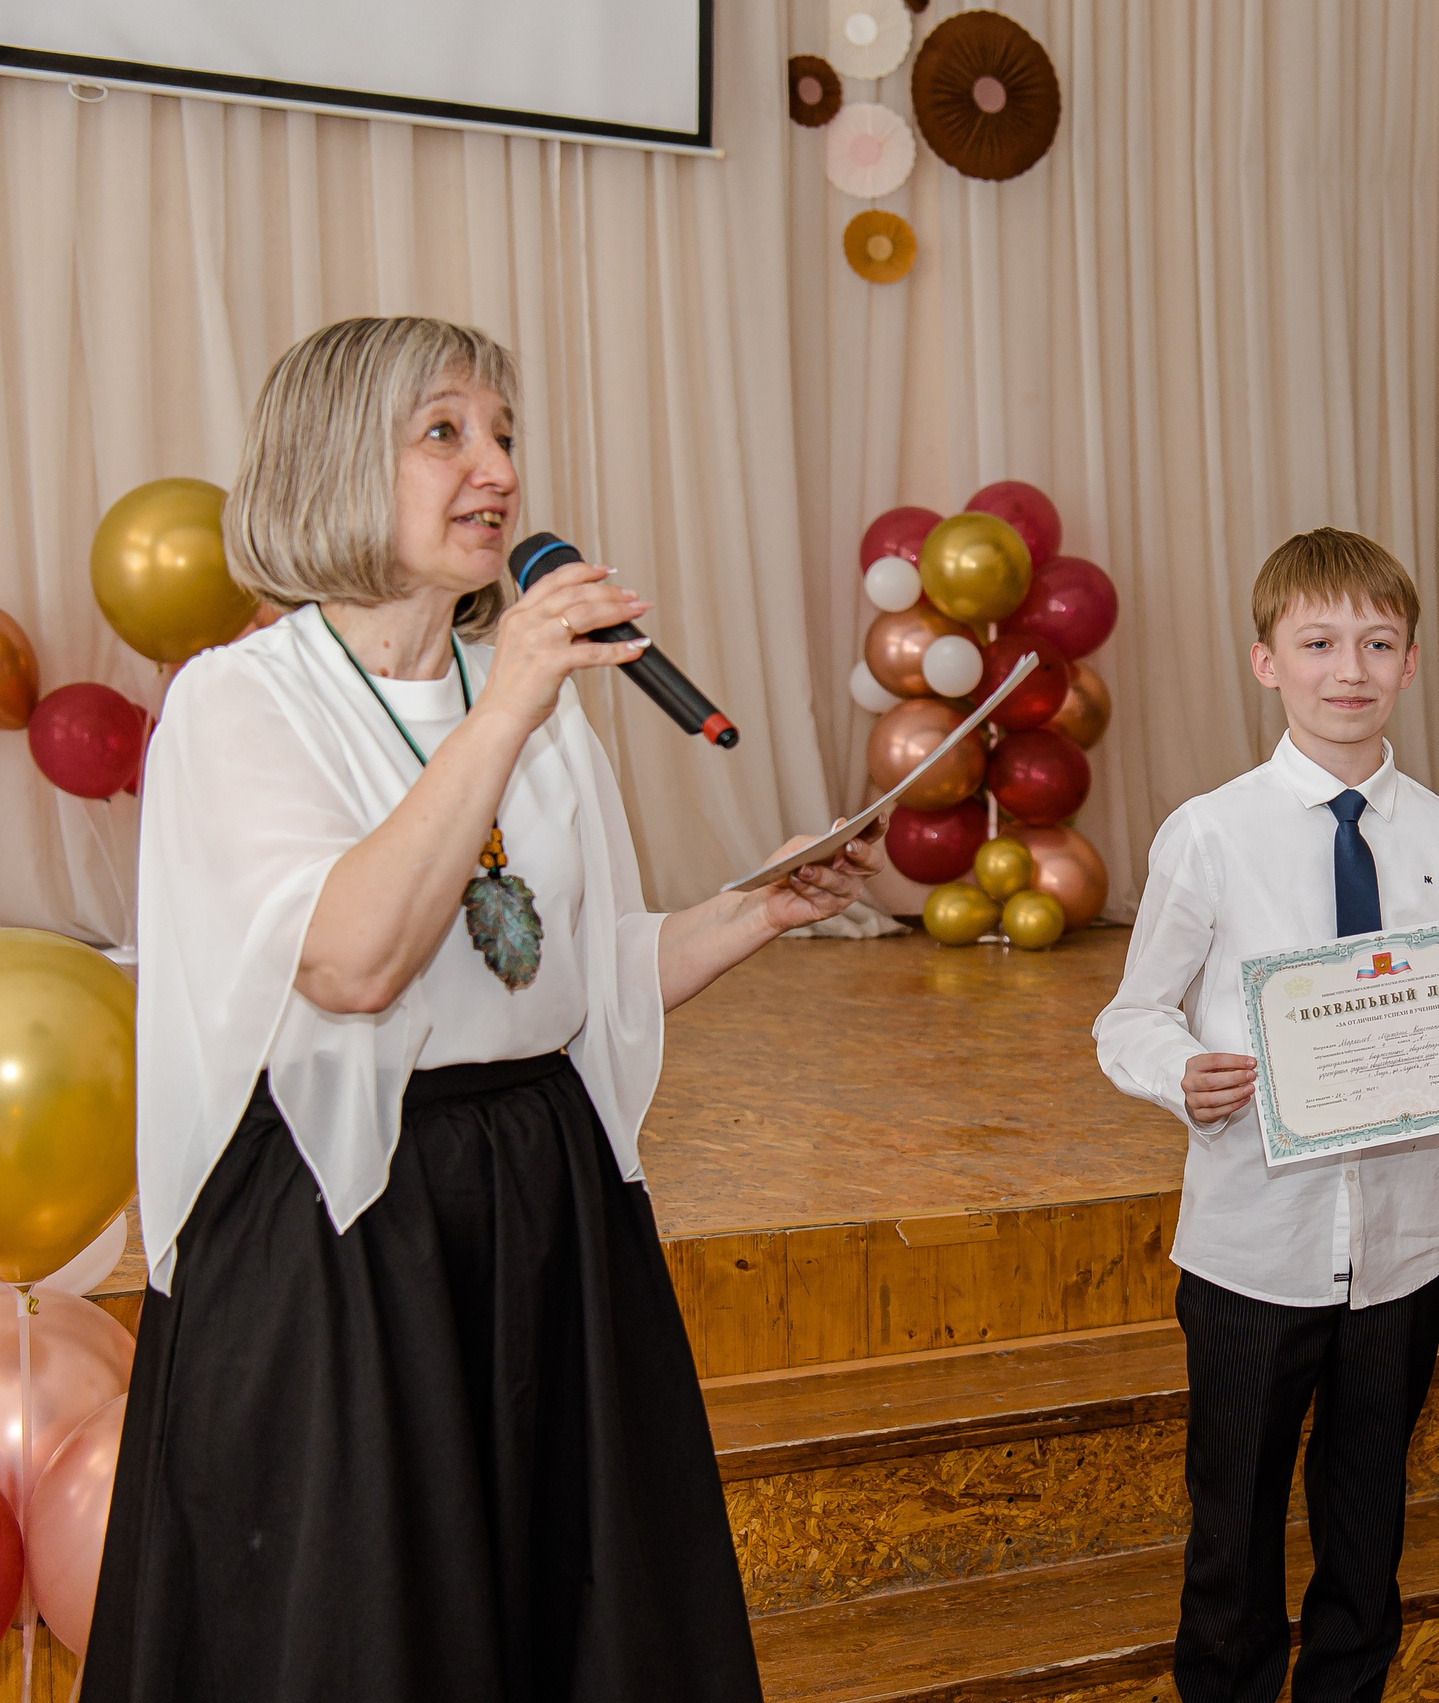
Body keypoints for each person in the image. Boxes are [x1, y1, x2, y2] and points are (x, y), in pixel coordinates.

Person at [88, 316, 881, 1702]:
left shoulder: (521, 701)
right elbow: (352, 963)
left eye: (504, 432)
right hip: (348, 1222)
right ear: (337, 462)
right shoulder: (238, 702)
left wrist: (753, 909)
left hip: (539, 1192)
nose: (497, 469)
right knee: (367, 1628)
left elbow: (556, 982)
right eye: (444, 432)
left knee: (557, 1619)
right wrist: (510, 696)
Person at [1094, 529, 1439, 1703]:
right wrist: (1183, 1069)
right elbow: (1128, 1015)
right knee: (1234, 1538)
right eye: (1317, 642)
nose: (1346, 667)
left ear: (1410, 662)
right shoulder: (1211, 830)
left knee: (1368, 1538)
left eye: (1375, 641)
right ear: (1267, 661)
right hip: (1254, 1246)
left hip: (1403, 1252)